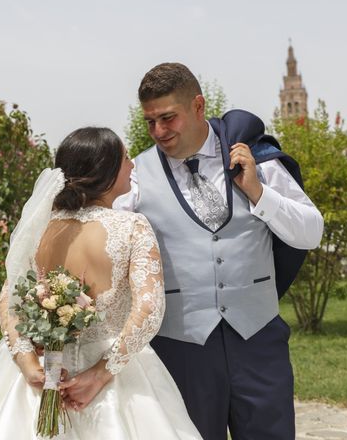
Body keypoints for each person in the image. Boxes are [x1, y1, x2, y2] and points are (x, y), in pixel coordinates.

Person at [0, 127, 202, 439]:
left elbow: (8, 299)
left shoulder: (40, 228)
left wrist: (28, 363)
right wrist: (100, 374)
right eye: (124, 158)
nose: (132, 164)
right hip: (114, 374)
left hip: (44, 372)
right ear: (105, 171)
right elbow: (149, 308)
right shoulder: (133, 227)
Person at [107, 63, 325, 440]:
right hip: (180, 348)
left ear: (197, 106)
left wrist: (258, 192)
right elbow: (108, 252)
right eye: (150, 122)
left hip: (259, 341)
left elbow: (311, 232)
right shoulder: (136, 176)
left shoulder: (257, 159)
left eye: (167, 118)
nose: (159, 131)